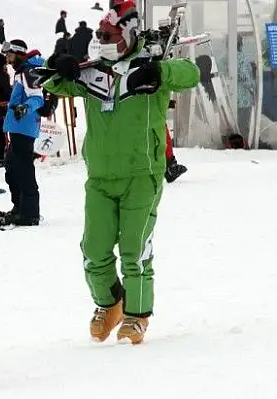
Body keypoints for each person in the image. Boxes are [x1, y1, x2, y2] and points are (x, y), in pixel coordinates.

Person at [43, 0, 199, 344]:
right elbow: (50, 82)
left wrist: (161, 73)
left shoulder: (151, 65)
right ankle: (109, 303)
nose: (101, 39)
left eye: (108, 34)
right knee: (93, 250)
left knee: (134, 250)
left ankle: (137, 314)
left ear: (127, 33)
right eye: (99, 34)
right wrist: (60, 64)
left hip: (141, 174)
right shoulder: (94, 71)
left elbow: (191, 74)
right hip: (99, 177)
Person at [0, 40, 47, 227]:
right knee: (12, 168)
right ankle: (19, 207)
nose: (7, 58)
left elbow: (37, 98)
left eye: (9, 54)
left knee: (23, 169)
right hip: (18, 126)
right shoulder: (22, 71)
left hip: (23, 128)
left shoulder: (28, 71)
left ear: (18, 53)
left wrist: (24, 108)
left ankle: (30, 213)